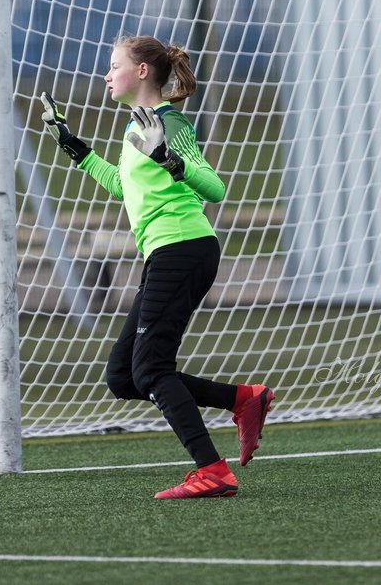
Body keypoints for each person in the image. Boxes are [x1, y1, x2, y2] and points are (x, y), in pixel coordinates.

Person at [39, 34, 274, 499]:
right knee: (125, 376)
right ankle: (243, 400)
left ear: (143, 72)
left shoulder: (169, 123)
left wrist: (171, 159)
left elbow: (214, 187)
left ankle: (212, 470)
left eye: (114, 65)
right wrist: (76, 149)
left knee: (152, 370)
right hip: (166, 253)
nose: (106, 75)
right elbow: (127, 188)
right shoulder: (136, 129)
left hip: (183, 248)